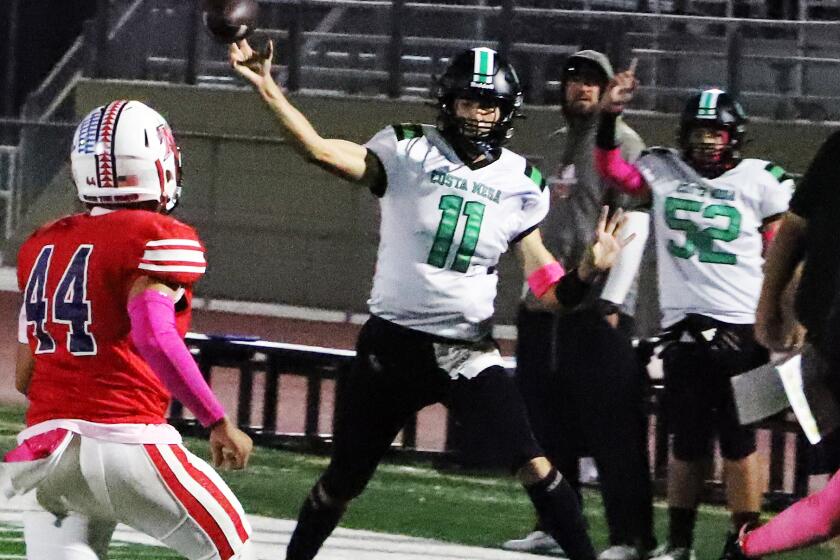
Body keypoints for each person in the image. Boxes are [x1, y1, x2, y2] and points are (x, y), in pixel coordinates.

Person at [229, 39, 633, 560]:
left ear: (506, 111)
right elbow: (320, 150)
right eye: (466, 101)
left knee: (535, 462)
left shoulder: (521, 183)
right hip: (392, 345)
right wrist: (269, 90)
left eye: (487, 103)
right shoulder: (405, 149)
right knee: (343, 481)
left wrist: (588, 270)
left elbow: (550, 292)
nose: (476, 113)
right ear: (447, 103)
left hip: (465, 349)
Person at [1, 100, 255, 560]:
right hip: (126, 443)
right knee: (235, 551)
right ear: (159, 165)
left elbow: (25, 376)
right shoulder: (155, 236)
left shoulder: (43, 244)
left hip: (44, 449)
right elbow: (154, 337)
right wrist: (217, 421)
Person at [594, 73, 794, 560]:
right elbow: (614, 171)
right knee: (685, 440)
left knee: (741, 441)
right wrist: (608, 117)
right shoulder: (663, 170)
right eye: (698, 132)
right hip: (683, 327)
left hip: (743, 328)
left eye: (715, 133)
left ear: (735, 137)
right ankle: (679, 541)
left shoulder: (762, 181)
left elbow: (784, 254)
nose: (706, 142)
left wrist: (783, 318)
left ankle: (744, 539)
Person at [503, 50, 655, 560]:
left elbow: (636, 223)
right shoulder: (552, 144)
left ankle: (631, 538)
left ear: (609, 89)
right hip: (548, 305)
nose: (583, 90)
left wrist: (613, 301)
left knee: (613, 430)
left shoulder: (625, 144)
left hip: (597, 307)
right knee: (546, 425)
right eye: (575, 81)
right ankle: (553, 524)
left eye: (593, 82)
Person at [728, 131, 840, 557]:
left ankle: (743, 549)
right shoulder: (837, 150)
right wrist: (770, 304)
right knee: (832, 494)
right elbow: (796, 227)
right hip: (827, 350)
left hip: (825, 344)